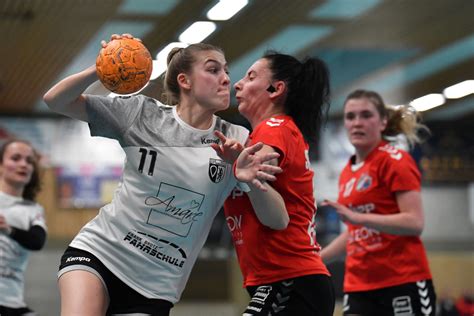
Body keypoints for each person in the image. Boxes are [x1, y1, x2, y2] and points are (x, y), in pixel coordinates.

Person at [43, 34, 281, 316]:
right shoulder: (141, 115)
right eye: (213, 69)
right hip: (101, 252)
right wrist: (102, 67)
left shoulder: (237, 139)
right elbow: (56, 100)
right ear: (185, 81)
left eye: (227, 71)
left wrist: (251, 180)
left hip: (155, 287)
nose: (226, 79)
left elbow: (276, 219)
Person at [218, 51, 335, 316]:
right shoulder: (274, 130)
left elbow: (257, 172)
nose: (238, 83)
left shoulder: (274, 127)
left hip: (291, 280)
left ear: (275, 88)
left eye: (250, 77)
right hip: (284, 281)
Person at [320, 89, 436, 315]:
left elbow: (414, 222)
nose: (357, 123)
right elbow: (354, 230)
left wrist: (359, 218)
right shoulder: (347, 171)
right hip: (359, 286)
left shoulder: (395, 161)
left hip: (402, 280)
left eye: (366, 115)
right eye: (350, 117)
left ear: (383, 121)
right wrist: (317, 260)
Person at [0, 139, 47, 316]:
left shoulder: (33, 210)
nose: (23, 165)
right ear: (1, 165)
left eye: (29, 161)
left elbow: (37, 240)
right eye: (16, 158)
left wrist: (8, 229)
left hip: (11, 302)